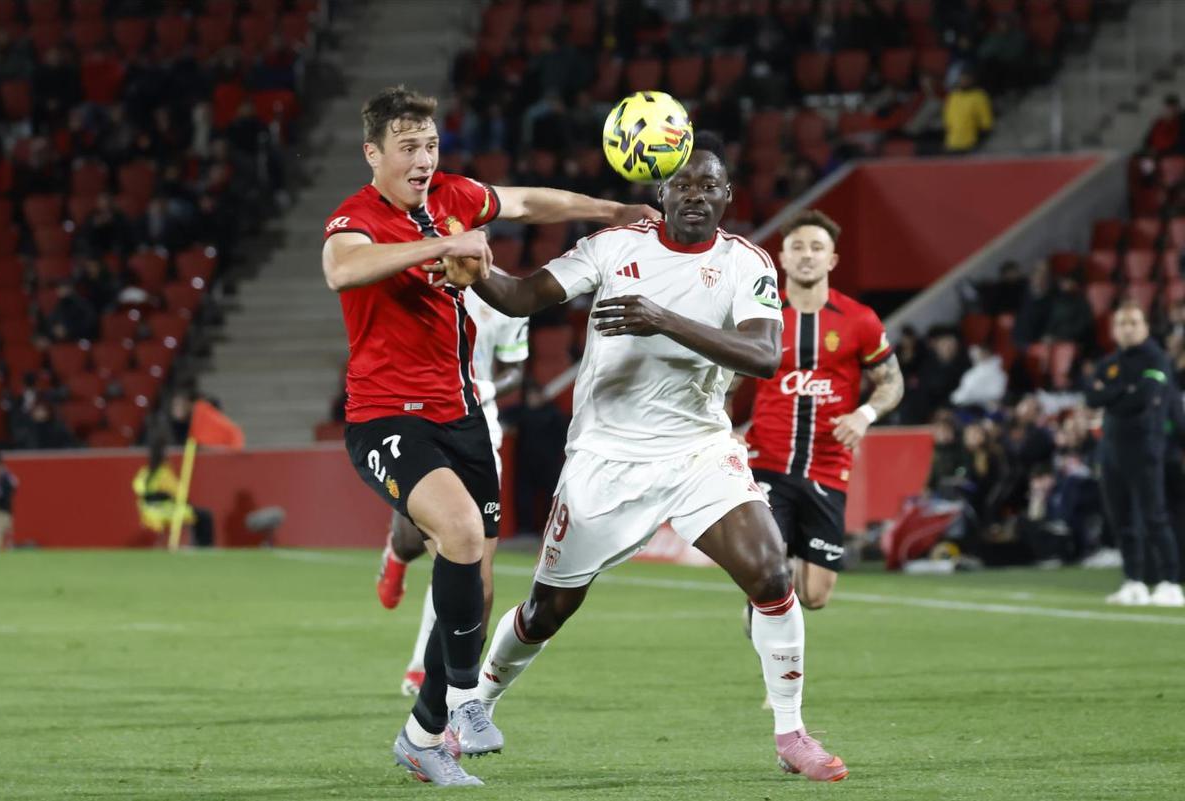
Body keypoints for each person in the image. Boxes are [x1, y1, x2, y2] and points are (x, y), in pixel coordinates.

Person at [460, 134, 849, 782]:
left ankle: (791, 732)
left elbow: (763, 356)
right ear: (659, 192)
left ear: (726, 196)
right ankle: (478, 699)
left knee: (772, 574)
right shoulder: (615, 248)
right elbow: (526, 296)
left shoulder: (746, 263)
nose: (695, 195)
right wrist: (477, 273)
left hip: (697, 450)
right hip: (605, 458)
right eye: (683, 185)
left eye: (708, 186)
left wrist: (660, 317)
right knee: (546, 610)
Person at [321, 85, 653, 787]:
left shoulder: (455, 194)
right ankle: (466, 701)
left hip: (465, 414)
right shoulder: (357, 217)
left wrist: (612, 210)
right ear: (373, 154)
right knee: (463, 536)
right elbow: (341, 269)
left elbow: (531, 201)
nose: (422, 158)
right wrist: (443, 243)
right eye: (407, 147)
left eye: (431, 145)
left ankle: (422, 731)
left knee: (476, 564)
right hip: (387, 415)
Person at [376, 279, 530, 696]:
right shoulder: (419, 286)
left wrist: (483, 388)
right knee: (417, 538)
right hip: (421, 423)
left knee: (460, 556)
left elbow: (515, 366)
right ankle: (397, 551)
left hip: (481, 429)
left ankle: (421, 668)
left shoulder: (508, 296)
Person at [744, 209, 904, 610]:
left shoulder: (860, 320)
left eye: (817, 248)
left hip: (829, 465)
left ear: (832, 260)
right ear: (781, 258)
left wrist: (864, 415)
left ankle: (776, 591)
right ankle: (766, 608)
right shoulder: (761, 317)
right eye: (797, 247)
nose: (806, 255)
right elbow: (723, 381)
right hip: (768, 459)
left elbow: (892, 381)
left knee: (815, 596)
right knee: (768, 566)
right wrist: (722, 428)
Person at [1084, 302, 1184, 606]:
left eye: (1133, 322)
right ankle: (1134, 580)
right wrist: (1122, 393)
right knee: (1121, 518)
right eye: (1122, 323)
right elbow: (1091, 395)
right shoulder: (1110, 362)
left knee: (1154, 515)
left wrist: (1112, 395)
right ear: (1114, 330)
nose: (1127, 328)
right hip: (1111, 448)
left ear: (1145, 327)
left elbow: (1144, 398)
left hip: (1145, 447)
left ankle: (1170, 582)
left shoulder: (1157, 359)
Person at [132, 433, 213, 547]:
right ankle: (203, 546)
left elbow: (138, 489)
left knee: (198, 513)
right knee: (204, 515)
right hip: (167, 511)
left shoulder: (144, 473)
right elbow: (180, 493)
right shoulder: (164, 472)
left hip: (147, 512)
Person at [942, 70, 993, 154]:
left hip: (970, 144)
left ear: (972, 80)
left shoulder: (979, 96)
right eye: (962, 79)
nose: (963, 81)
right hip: (952, 143)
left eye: (966, 79)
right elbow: (948, 119)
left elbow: (986, 122)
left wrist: (980, 142)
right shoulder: (954, 96)